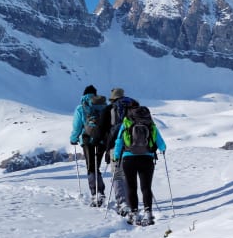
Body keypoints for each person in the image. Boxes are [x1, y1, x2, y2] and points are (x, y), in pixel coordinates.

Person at [112, 106, 167, 225]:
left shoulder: (126, 123)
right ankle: (148, 213)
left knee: (131, 187)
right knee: (146, 187)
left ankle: (134, 213)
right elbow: (161, 144)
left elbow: (119, 141)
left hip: (128, 158)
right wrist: (162, 149)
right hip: (147, 158)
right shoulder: (150, 124)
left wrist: (116, 156)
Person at [94, 87, 140, 216]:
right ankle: (132, 202)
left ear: (113, 99)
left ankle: (122, 202)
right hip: (135, 146)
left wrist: (99, 143)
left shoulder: (109, 110)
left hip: (116, 145)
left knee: (117, 175)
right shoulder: (135, 107)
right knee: (129, 174)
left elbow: (100, 130)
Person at [69, 85, 107, 206]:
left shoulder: (81, 108)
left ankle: (95, 194)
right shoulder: (104, 106)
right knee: (97, 166)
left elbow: (77, 127)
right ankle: (100, 191)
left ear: (84, 94)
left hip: (87, 141)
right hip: (101, 141)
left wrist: (73, 139)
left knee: (91, 167)